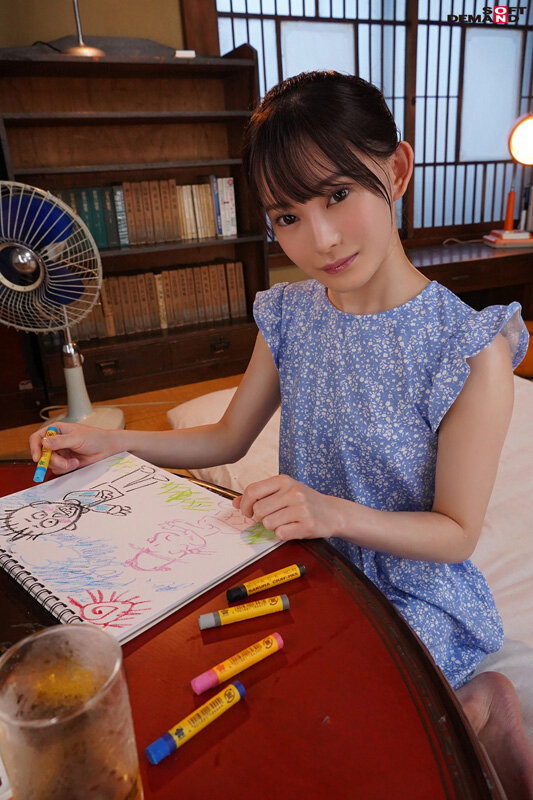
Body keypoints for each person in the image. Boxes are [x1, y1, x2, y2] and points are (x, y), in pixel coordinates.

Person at [29, 71, 533, 796]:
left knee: (328, 732)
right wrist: (113, 441)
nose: (319, 238)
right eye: (288, 216)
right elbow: (226, 440)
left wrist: (329, 512)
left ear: (396, 171)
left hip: (410, 592)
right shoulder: (291, 314)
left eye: (338, 194)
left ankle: (482, 702)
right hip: (300, 562)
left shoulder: (467, 350)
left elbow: (455, 533)